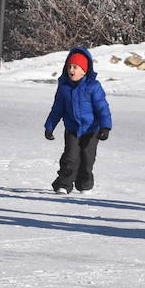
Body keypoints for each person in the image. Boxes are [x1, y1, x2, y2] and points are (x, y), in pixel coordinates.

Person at [43, 47, 112, 194]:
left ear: (84, 71)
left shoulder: (93, 87)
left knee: (87, 158)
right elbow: (57, 109)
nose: (71, 70)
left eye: (75, 67)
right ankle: (64, 184)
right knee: (70, 157)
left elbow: (102, 108)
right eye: (69, 66)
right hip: (72, 130)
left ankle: (84, 184)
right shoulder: (64, 88)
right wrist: (50, 127)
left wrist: (105, 127)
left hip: (92, 130)